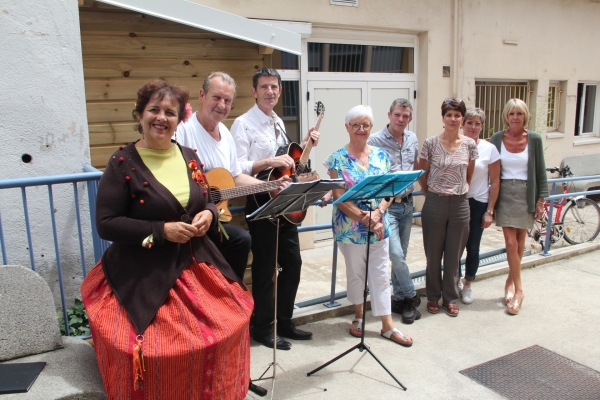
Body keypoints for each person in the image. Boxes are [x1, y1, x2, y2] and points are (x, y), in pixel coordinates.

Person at [80, 80, 253, 399]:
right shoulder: (122, 164)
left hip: (197, 266)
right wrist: (162, 231)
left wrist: (210, 215)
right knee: (156, 351)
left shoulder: (189, 156)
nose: (161, 117)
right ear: (140, 114)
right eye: (154, 110)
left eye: (169, 112)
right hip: (143, 272)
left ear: (178, 119)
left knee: (228, 327)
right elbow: (106, 224)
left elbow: (207, 199)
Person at [231, 68, 320, 350]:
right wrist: (269, 161)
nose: (270, 91)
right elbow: (238, 167)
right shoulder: (242, 124)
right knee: (265, 268)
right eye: (264, 87)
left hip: (285, 202)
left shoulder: (278, 121)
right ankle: (263, 328)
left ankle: (284, 321)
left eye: (274, 87)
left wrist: (306, 145)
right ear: (254, 91)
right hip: (260, 202)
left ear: (280, 91)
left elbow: (288, 162)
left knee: (293, 263)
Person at [175, 71, 287, 282]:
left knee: (242, 241)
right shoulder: (183, 130)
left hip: (215, 218)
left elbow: (236, 177)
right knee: (239, 241)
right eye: (216, 97)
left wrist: (271, 185)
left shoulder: (225, 134)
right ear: (201, 95)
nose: (221, 104)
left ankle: (230, 295)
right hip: (188, 218)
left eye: (227, 100)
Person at [324, 105, 412, 347]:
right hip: (350, 227)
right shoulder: (336, 159)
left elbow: (390, 191)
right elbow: (339, 197)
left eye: (366, 125)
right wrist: (366, 218)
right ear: (347, 128)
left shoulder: (381, 155)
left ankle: (387, 325)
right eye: (356, 125)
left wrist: (379, 213)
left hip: (379, 224)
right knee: (356, 274)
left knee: (382, 275)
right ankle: (359, 316)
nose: (361, 130)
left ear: (371, 127)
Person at [418, 98, 478, 317]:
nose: (453, 119)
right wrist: (433, 195)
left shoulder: (470, 145)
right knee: (433, 255)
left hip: (461, 203)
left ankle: (451, 297)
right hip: (435, 201)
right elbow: (422, 174)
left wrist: (457, 192)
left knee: (454, 255)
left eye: (457, 115)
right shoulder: (430, 143)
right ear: (443, 118)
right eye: (449, 115)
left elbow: (469, 175)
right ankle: (433, 296)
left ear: (462, 119)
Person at [489, 98, 547, 315]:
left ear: (525, 116)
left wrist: (541, 200)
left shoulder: (534, 139)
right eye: (512, 113)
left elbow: (540, 171)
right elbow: (487, 163)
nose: (515, 117)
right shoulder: (497, 139)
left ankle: (510, 282)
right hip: (504, 194)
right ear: (506, 115)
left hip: (526, 193)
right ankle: (520, 291)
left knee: (521, 242)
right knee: (511, 243)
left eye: (519, 114)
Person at [367, 98, 421, 324]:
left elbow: (415, 164)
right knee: (396, 254)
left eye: (406, 116)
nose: (401, 119)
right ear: (389, 114)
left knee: (402, 255)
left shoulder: (412, 138)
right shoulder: (375, 140)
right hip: (387, 206)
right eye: (397, 114)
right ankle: (412, 295)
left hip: (408, 204)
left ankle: (400, 300)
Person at [459, 108, 500, 304]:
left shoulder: (489, 149)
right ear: (462, 125)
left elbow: (495, 181)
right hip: (458, 201)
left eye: (477, 124)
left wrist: (490, 211)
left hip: (478, 203)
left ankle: (468, 284)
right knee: (453, 247)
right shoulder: (454, 144)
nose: (473, 127)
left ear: (482, 126)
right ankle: (454, 281)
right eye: (469, 123)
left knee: (473, 247)